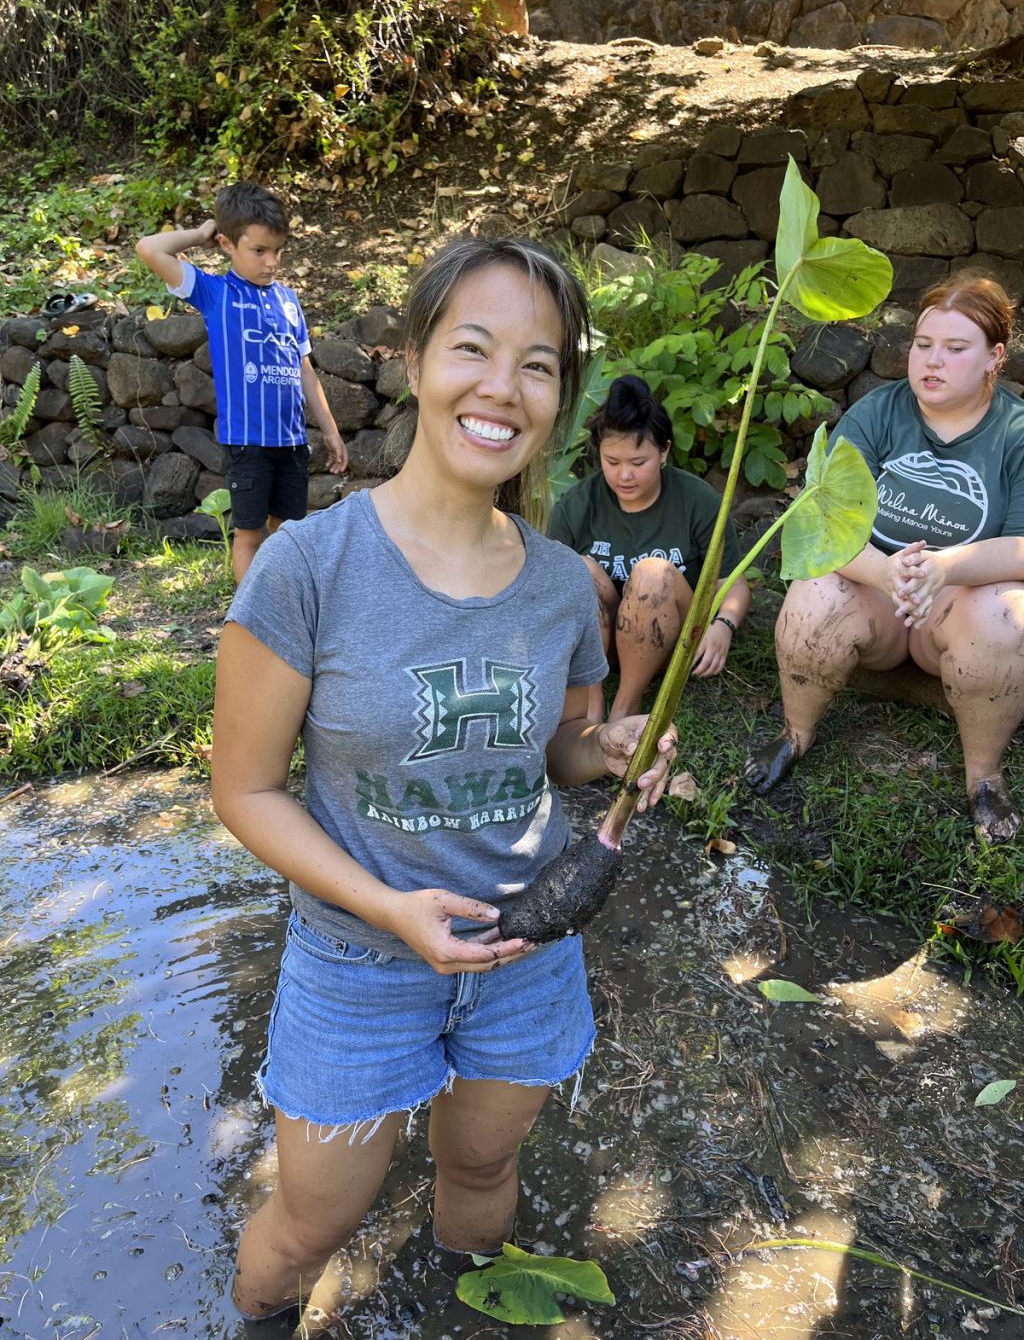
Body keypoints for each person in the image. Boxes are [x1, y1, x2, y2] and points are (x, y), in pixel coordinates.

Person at [210, 236, 678, 1322]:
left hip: (525, 951)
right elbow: (245, 791)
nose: (501, 388)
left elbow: (557, 749)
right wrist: (387, 907)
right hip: (356, 962)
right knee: (309, 1228)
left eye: (538, 364)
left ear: (560, 395)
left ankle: (457, 1310)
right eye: (473, 347)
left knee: (478, 1182)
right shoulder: (307, 568)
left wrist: (603, 748)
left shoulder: (565, 585)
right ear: (415, 360)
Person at [745, 275, 1024, 844]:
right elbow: (819, 516)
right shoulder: (879, 412)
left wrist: (943, 570)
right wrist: (884, 571)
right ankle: (795, 732)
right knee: (814, 592)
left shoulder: (1016, 433)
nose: (932, 361)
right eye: (923, 345)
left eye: (955, 348)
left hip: (953, 607)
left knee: (1005, 612)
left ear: (995, 356)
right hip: (876, 592)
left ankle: (984, 778)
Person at [135, 182, 348, 584]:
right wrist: (200, 234)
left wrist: (331, 431)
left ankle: (286, 607)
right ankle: (248, 620)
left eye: (278, 251)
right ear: (227, 244)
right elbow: (149, 249)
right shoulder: (216, 293)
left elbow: (305, 370)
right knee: (250, 532)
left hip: (292, 442)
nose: (271, 262)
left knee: (290, 533)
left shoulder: (289, 300)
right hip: (248, 442)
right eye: (259, 251)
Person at [548, 374, 750, 723]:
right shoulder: (576, 506)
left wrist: (724, 625)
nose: (624, 475)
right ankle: (592, 700)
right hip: (603, 641)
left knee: (652, 573)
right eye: (612, 462)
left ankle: (627, 702)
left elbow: (731, 582)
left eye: (637, 463)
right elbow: (552, 594)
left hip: (675, 637)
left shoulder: (698, 501)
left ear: (664, 451)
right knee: (574, 568)